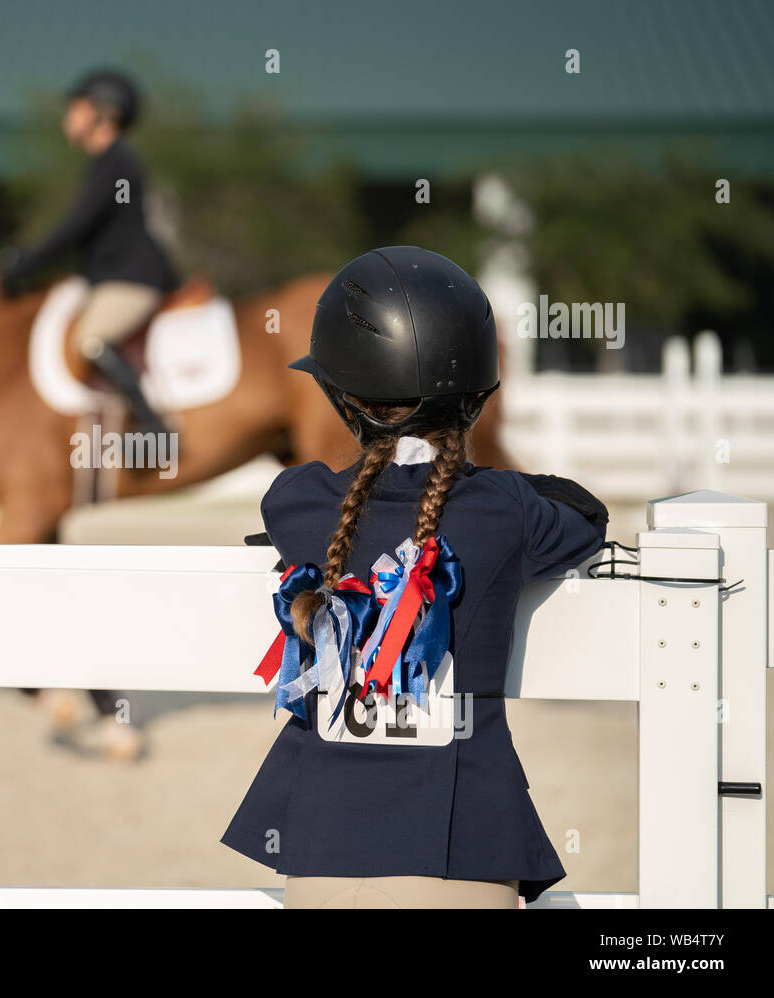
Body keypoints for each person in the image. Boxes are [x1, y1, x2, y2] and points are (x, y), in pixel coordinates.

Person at [220, 246, 609, 908]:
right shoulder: (506, 508)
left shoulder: (298, 501)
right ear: (478, 397)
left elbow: (329, 494)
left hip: (320, 850)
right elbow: (584, 511)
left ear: (344, 399)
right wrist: (498, 478)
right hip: (465, 852)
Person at [0, 68, 180, 436]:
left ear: (102, 114)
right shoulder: (105, 163)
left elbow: (77, 227)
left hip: (132, 280)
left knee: (91, 338)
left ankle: (151, 427)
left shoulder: (118, 165)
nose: (69, 117)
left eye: (77, 108)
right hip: (113, 277)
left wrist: (24, 264)